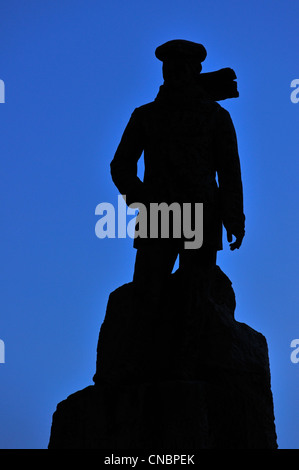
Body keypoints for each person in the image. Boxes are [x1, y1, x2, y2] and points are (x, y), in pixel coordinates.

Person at [110, 39, 245, 298]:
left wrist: (234, 218)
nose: (172, 72)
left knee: (197, 301)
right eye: (168, 67)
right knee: (147, 300)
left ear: (194, 70)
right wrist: (143, 201)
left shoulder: (216, 116)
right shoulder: (146, 116)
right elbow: (121, 166)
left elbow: (229, 172)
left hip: (201, 216)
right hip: (158, 217)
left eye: (180, 67)